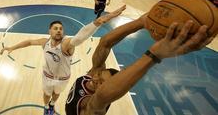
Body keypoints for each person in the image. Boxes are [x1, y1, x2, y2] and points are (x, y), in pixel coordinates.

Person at [65, 15, 214, 115]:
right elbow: (105, 43)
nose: (96, 79)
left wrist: (154, 55)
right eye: (99, 75)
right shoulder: (93, 75)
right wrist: (141, 22)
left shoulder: (92, 108)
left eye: (102, 83)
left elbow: (102, 95)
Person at [0, 5, 126, 115]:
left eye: (61, 28)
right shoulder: (45, 42)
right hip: (47, 76)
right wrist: (12, 47)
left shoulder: (66, 45)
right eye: (55, 28)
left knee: (56, 94)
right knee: (46, 94)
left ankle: (52, 104)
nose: (59, 30)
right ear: (49, 31)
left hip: (62, 79)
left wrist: (101, 21)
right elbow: (28, 42)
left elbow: (80, 37)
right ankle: (46, 106)